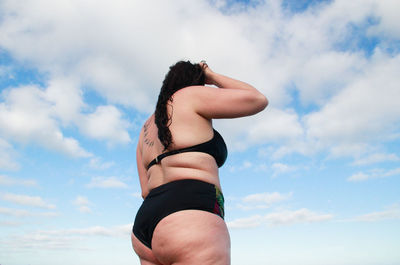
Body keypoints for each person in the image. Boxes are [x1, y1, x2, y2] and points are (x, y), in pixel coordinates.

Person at [131, 60, 268, 265]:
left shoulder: (146, 128)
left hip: (145, 227)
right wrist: (211, 75)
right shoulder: (189, 95)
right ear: (196, 81)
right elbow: (257, 99)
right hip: (190, 214)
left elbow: (145, 191)